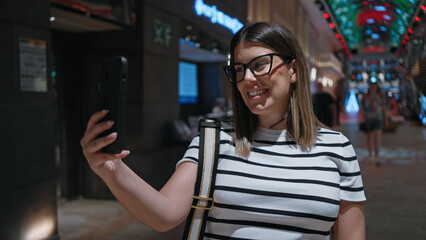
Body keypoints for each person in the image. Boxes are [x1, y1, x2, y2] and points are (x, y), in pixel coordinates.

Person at [81, 22, 366, 239]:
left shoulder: (336, 147)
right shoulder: (214, 140)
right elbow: (164, 215)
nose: (248, 79)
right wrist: (111, 170)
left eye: (260, 65)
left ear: (293, 71)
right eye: (239, 70)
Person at [359, 82, 388, 164]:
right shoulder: (365, 97)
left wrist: (386, 119)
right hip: (368, 120)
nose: (373, 88)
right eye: (371, 87)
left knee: (377, 139)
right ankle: (370, 155)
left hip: (378, 119)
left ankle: (376, 156)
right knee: (368, 139)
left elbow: (383, 108)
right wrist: (361, 118)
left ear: (377, 88)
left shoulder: (380, 97)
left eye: (374, 87)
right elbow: (362, 108)